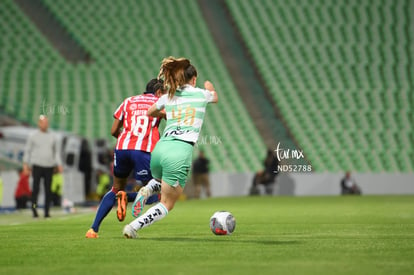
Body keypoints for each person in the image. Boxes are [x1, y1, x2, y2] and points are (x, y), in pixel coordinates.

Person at [123, 56, 218, 238]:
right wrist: (209, 87)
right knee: (167, 203)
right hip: (179, 150)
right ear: (194, 79)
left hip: (161, 148)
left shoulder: (169, 95)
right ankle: (133, 227)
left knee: (161, 181)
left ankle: (148, 189)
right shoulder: (200, 93)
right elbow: (215, 97)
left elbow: (150, 112)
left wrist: (168, 113)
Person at [85, 78, 166, 238]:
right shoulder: (159, 102)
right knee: (158, 194)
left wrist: (127, 137)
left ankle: (93, 230)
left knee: (115, 187)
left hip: (122, 148)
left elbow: (114, 130)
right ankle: (127, 197)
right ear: (158, 92)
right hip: (142, 150)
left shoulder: (128, 101)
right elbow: (171, 120)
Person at [23, 115, 63, 218]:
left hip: (49, 166)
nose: (45, 125)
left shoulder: (53, 136)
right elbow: (28, 150)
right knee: (35, 189)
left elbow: (56, 152)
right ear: (39, 123)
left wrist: (59, 164)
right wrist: (25, 164)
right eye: (43, 122)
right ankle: (34, 208)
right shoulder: (33, 136)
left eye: (46, 123)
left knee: (48, 190)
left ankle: (46, 211)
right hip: (37, 165)